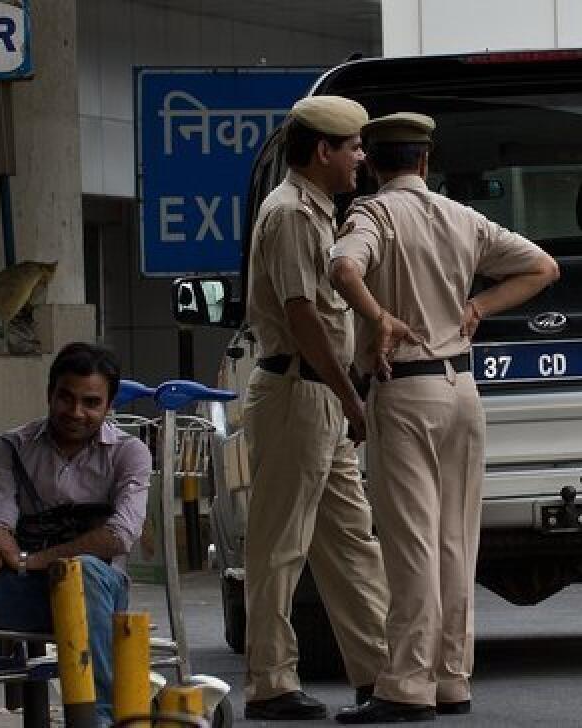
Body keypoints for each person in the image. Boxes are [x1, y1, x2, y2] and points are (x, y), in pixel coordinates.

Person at [329, 112, 559, 723]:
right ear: (426, 162)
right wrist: (479, 303)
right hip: (463, 390)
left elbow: (342, 268)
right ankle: (452, 679)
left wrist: (377, 316)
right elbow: (542, 267)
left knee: (410, 545)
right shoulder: (463, 217)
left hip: (406, 392)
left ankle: (406, 687)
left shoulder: (372, 214)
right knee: (457, 541)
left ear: (374, 165)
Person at [240, 95, 389, 721]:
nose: (361, 156)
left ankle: (382, 675)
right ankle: (270, 685)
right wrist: (350, 397)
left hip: (317, 396)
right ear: (323, 151)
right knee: (279, 546)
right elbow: (303, 317)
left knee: (352, 540)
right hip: (300, 394)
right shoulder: (295, 216)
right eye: (352, 146)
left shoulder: (320, 210)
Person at [0, 342, 152, 728]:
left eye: (91, 402)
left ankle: (99, 717)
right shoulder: (11, 447)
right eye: (66, 398)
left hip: (99, 596)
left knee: (86, 569)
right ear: (49, 394)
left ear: (109, 406)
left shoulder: (130, 453)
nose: (76, 412)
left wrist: (30, 559)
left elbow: (118, 536)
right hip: (24, 592)